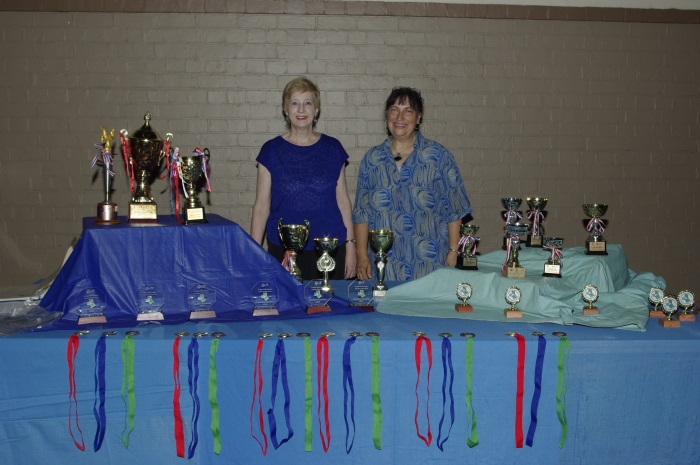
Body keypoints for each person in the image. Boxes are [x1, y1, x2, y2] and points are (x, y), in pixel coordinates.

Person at [353, 86, 472, 281]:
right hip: (384, 268)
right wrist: (361, 255)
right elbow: (361, 213)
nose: (400, 117)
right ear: (386, 115)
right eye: (394, 110)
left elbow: (455, 209)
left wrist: (453, 251)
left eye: (408, 111)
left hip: (430, 266)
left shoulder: (438, 156)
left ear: (418, 118)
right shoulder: (372, 159)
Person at [251, 76, 356, 280]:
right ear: (285, 109)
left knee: (331, 301)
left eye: (308, 103)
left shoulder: (333, 148)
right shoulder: (270, 151)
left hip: (330, 249)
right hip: (283, 251)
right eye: (294, 103)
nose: (301, 110)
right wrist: (253, 253)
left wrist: (351, 246)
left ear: (316, 110)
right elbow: (261, 207)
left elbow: (343, 202)